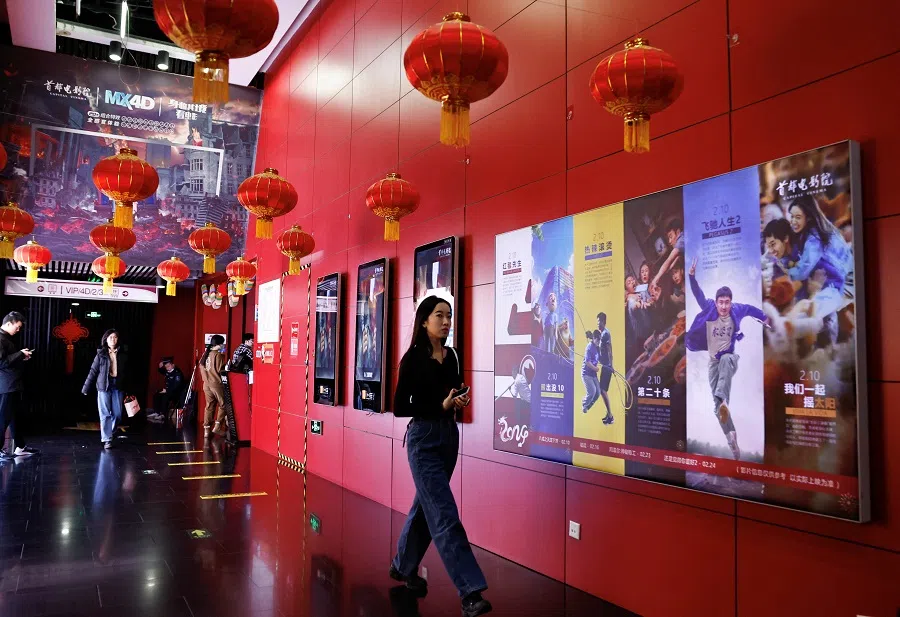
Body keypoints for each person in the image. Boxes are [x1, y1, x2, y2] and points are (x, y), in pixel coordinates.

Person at [391, 296, 490, 617]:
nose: (446, 322)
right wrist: (440, 406)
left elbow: (452, 389)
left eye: (449, 316)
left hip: (448, 437)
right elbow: (400, 407)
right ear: (423, 321)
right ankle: (470, 592)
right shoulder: (412, 359)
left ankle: (403, 566)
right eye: (439, 316)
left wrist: (458, 398)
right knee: (444, 512)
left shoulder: (453, 356)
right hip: (423, 439)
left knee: (427, 506)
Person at [685, 259, 768, 460]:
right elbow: (698, 295)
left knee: (725, 362)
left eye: (727, 302)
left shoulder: (737, 309)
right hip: (713, 361)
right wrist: (692, 277)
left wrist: (766, 319)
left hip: (729, 358)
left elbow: (750, 309)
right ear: (716, 302)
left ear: (731, 302)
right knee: (717, 406)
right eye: (720, 302)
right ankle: (732, 440)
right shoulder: (709, 307)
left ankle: (722, 398)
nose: (723, 306)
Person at [82, 329, 128, 449]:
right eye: (110, 337)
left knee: (117, 414)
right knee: (105, 413)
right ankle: (107, 439)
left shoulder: (123, 353)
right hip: (104, 386)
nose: (113, 339)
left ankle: (111, 432)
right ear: (106, 339)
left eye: (115, 337)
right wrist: (86, 387)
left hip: (118, 385)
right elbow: (93, 371)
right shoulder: (101, 354)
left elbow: (128, 372)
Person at [0, 311, 36, 459]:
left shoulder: (6, 339)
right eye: (18, 326)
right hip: (7, 386)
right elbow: (1, 362)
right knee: (3, 418)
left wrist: (21, 357)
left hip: (12, 385)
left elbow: (8, 361)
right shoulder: (1, 339)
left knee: (14, 417)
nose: (18, 330)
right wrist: (20, 354)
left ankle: (20, 447)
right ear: (9, 323)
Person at [200, 335, 227, 438]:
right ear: (219, 344)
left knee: (209, 406)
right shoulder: (218, 355)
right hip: (216, 384)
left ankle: (206, 430)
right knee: (224, 404)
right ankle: (217, 426)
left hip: (206, 384)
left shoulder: (205, 354)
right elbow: (221, 370)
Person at [651, 218, 685, 289]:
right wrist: (658, 276)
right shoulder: (681, 245)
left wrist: (656, 279)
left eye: (670, 236)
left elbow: (669, 260)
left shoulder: (681, 240)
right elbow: (671, 264)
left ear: (678, 232)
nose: (669, 241)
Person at [595, 313, 615, 425]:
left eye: (599, 321)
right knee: (603, 390)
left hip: (607, 366)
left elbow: (609, 350)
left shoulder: (606, 334)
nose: (597, 323)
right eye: (597, 321)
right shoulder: (602, 334)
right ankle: (608, 414)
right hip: (604, 365)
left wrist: (611, 365)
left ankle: (610, 416)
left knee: (603, 390)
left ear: (603, 321)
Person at [581, 330, 601, 414]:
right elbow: (587, 362)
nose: (599, 342)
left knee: (598, 393)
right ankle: (584, 403)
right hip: (587, 374)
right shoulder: (589, 347)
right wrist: (595, 368)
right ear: (594, 339)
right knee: (592, 391)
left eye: (600, 340)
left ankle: (588, 406)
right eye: (598, 340)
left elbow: (598, 358)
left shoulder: (597, 347)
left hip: (593, 374)